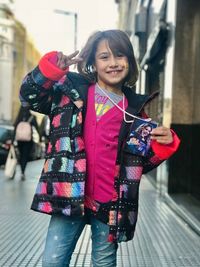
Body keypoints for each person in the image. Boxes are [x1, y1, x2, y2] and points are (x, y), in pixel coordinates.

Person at [19, 30, 180, 266]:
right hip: (69, 197)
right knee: (53, 262)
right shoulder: (69, 92)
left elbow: (138, 165)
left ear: (130, 61)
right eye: (104, 57)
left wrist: (163, 144)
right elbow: (28, 97)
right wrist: (50, 71)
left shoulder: (134, 110)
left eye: (120, 56)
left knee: (104, 262)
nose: (113, 63)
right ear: (93, 63)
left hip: (110, 204)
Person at [14, 106, 39, 180]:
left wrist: (12, 140)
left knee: (21, 155)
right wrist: (39, 138)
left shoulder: (19, 118)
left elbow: (15, 128)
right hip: (28, 140)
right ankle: (22, 172)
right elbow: (37, 128)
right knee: (25, 156)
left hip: (19, 140)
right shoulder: (32, 117)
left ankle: (21, 169)